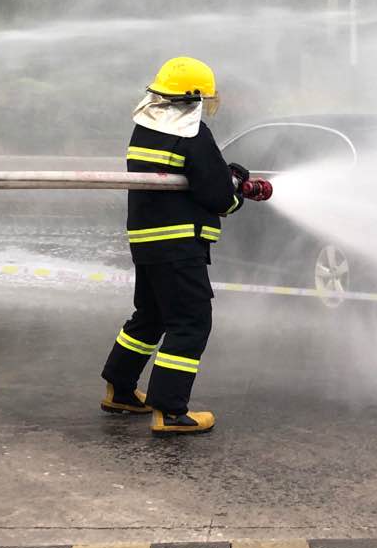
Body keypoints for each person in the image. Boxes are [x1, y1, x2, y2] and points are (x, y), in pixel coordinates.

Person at [99, 56, 263, 435]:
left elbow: (188, 176)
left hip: (146, 242)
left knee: (151, 316)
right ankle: (170, 411)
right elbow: (219, 197)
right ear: (192, 99)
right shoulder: (193, 133)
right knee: (190, 322)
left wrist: (224, 179)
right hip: (179, 244)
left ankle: (120, 388)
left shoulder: (144, 129)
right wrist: (236, 190)